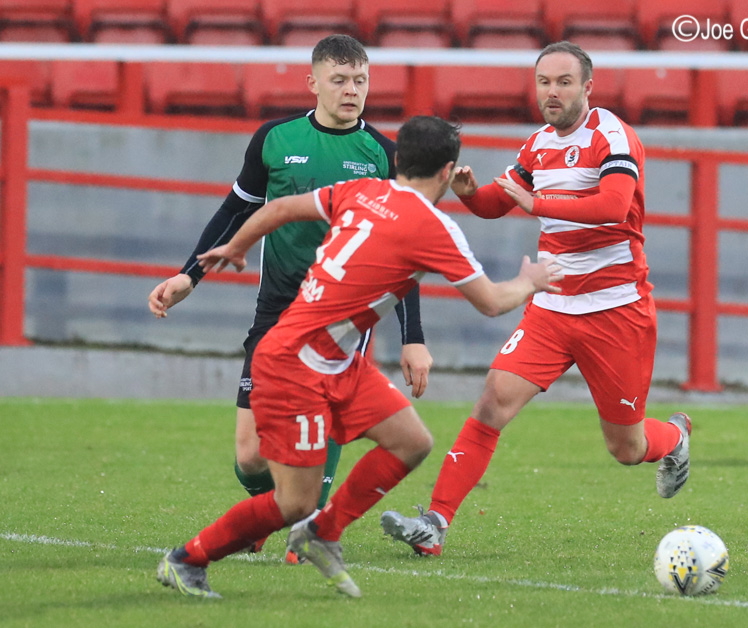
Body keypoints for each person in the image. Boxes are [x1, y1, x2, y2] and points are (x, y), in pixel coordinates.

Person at [155, 115, 562, 599]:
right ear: (448, 171)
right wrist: (530, 282)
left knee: (411, 441)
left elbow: (281, 206)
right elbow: (492, 302)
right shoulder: (434, 228)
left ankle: (324, 532)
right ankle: (188, 559)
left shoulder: (361, 190)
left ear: (399, 159)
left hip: (339, 361)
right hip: (295, 363)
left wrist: (239, 246)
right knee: (293, 501)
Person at [380, 41, 692, 557]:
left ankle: (675, 438)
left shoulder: (612, 136)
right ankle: (435, 523)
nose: (552, 91)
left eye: (564, 82)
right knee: (492, 402)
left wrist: (539, 202)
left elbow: (614, 206)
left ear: (587, 87)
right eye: (544, 81)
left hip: (616, 310)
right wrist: (468, 193)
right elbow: (496, 204)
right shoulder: (538, 145)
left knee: (626, 446)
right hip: (551, 304)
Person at [147, 35, 433, 556]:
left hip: (344, 319)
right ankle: (272, 512)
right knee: (251, 456)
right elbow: (234, 212)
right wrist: (189, 275)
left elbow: (404, 254)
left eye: (361, 80)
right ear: (314, 83)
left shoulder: (385, 155)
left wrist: (412, 337)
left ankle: (310, 529)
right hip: (277, 310)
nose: (352, 91)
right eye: (340, 80)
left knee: (328, 419)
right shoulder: (274, 139)